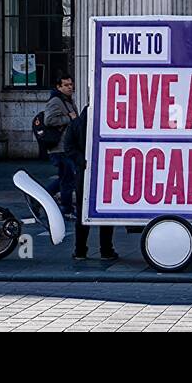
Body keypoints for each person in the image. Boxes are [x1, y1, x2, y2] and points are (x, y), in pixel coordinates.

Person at [65, 105, 118, 260]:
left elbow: (68, 147)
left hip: (84, 173)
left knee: (82, 212)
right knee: (105, 211)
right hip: (105, 172)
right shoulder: (107, 123)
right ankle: (106, 250)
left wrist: (82, 161)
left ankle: (80, 250)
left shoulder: (76, 124)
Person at [43, 75, 79, 215]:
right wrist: (69, 118)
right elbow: (49, 120)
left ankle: (41, 199)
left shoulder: (68, 100)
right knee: (67, 179)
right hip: (59, 147)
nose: (70, 87)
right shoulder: (56, 101)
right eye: (66, 85)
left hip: (67, 146)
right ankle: (67, 209)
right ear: (58, 87)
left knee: (67, 177)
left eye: (70, 84)